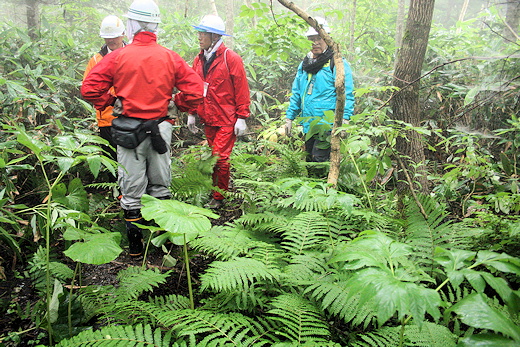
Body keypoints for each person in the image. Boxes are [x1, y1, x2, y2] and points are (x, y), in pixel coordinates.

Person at [81, 0, 205, 257]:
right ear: (156, 26)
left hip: (129, 132)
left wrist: (112, 101)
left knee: (131, 188)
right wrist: (175, 102)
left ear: (131, 25)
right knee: (160, 186)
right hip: (161, 129)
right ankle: (162, 243)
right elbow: (196, 91)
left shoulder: (117, 57)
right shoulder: (170, 57)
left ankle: (136, 247)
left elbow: (89, 88)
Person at [187, 14, 251, 209]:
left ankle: (219, 196)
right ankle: (216, 189)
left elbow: (241, 88)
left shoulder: (230, 58)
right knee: (213, 156)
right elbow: (194, 87)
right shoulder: (198, 59)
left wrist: (242, 117)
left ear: (214, 36)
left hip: (226, 119)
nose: (199, 37)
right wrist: (191, 113)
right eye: (198, 33)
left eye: (202, 33)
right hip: (208, 117)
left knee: (221, 158)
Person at [285, 17, 355, 163]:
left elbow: (347, 91)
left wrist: (345, 118)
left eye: (319, 38)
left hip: (328, 124)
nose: (315, 42)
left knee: (319, 160)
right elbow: (297, 92)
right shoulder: (305, 64)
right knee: (309, 161)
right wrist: (289, 117)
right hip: (309, 124)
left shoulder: (336, 62)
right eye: (311, 38)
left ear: (327, 39)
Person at [83, 15, 126, 161]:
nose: (111, 40)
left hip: (132, 117)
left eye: (114, 36)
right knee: (112, 162)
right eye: (107, 37)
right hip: (107, 120)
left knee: (131, 162)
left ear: (123, 34)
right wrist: (112, 101)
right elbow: (88, 89)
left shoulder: (133, 55)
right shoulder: (96, 60)